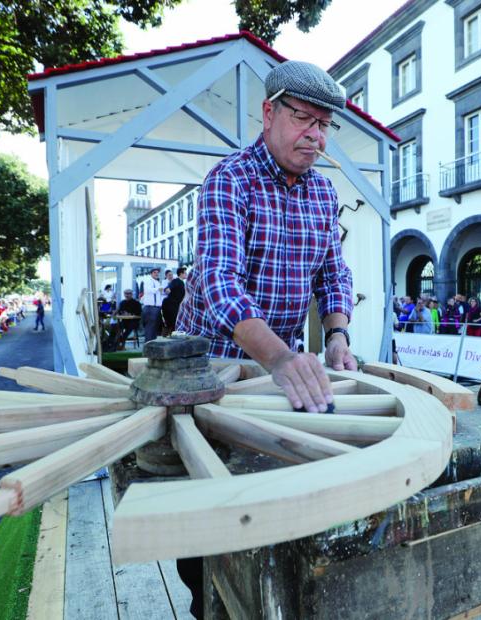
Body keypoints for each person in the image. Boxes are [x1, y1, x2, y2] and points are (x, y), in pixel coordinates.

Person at [173, 59, 357, 620]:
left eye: (325, 125)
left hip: (272, 370)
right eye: (304, 118)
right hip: (211, 366)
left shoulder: (324, 194)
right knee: (205, 517)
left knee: (265, 496)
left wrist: (337, 334)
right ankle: (206, 599)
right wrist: (280, 356)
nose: (316, 135)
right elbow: (220, 283)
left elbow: (333, 272)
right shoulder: (230, 180)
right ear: (269, 112)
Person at [140, 267, 164, 342]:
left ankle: (152, 344)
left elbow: (159, 294)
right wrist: (158, 289)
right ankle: (148, 344)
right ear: (151, 273)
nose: (157, 274)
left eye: (157, 272)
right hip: (150, 307)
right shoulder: (147, 280)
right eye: (155, 272)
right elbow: (148, 290)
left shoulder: (157, 282)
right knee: (149, 328)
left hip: (157, 308)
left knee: (154, 328)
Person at [161, 267, 187, 337]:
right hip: (170, 306)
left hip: (174, 305)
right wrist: (168, 289)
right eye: (185, 273)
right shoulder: (177, 281)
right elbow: (168, 288)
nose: (186, 274)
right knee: (172, 325)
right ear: (181, 274)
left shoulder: (181, 282)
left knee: (173, 325)